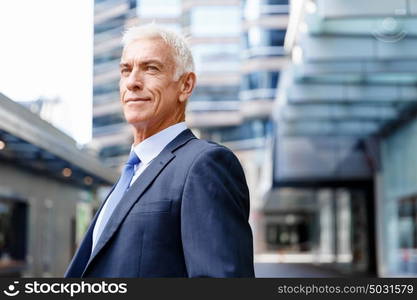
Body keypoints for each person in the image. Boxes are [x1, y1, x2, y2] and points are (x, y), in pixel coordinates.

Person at [64, 24, 255, 278]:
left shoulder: (204, 165)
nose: (132, 82)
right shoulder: (130, 174)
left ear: (185, 85)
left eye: (150, 68)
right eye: (125, 70)